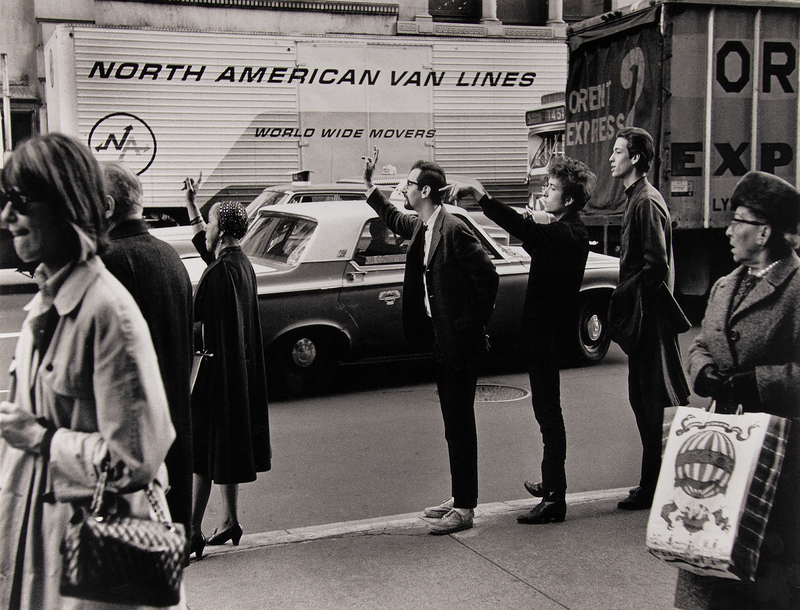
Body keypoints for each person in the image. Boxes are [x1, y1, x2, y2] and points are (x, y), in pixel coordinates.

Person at [0, 133, 181, 608]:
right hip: (45, 548)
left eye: (21, 202)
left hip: (93, 567)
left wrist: (41, 439)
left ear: (67, 204)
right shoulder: (49, 300)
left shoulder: (107, 313)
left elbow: (135, 459)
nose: (6, 217)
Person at [443, 156, 595, 525]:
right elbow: (536, 243)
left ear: (569, 199)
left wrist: (481, 195)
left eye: (552, 188)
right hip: (543, 336)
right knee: (546, 413)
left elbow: (523, 229)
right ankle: (551, 483)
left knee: (549, 415)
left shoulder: (567, 233)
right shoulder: (565, 230)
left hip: (546, 338)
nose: (546, 192)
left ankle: (555, 498)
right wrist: (531, 230)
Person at [673, 171, 800, 610]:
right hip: (722, 447)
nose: (728, 230)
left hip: (779, 457)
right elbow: (702, 342)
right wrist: (703, 370)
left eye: (738, 221)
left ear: (764, 232)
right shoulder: (726, 283)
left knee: (764, 577)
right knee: (706, 554)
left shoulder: (797, 289)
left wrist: (759, 381)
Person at [363, 150, 499, 535]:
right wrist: (369, 185)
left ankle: (466, 508)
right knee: (453, 425)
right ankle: (460, 496)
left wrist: (468, 325)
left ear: (424, 191)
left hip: (460, 343)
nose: (403, 189)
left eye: (408, 184)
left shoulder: (453, 229)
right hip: (442, 340)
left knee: (460, 423)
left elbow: (488, 277)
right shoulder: (424, 226)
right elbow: (392, 216)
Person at [100, 160, 194, 563]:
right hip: (175, 441)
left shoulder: (108, 263)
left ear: (107, 206)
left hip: (135, 457)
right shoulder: (171, 257)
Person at [183, 190, 272, 559]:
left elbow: (198, 326)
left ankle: (191, 532)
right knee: (223, 451)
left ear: (221, 231)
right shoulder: (240, 264)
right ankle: (230, 519)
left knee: (202, 455)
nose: (206, 228)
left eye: (210, 222)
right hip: (237, 373)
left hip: (214, 376)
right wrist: (192, 205)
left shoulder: (218, 274)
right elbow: (208, 250)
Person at [608, 127, 690, 511]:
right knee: (643, 399)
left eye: (618, 151)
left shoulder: (645, 201)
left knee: (650, 401)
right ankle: (653, 482)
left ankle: (653, 485)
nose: (612, 158)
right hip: (647, 316)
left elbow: (656, 265)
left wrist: (630, 300)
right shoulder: (637, 198)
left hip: (650, 319)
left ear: (636, 158)